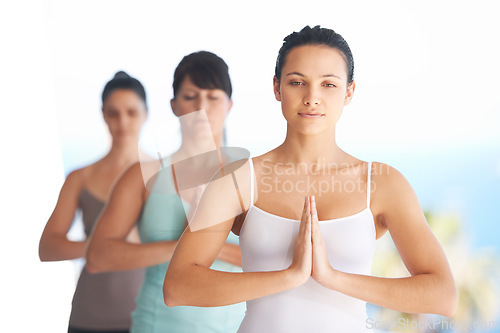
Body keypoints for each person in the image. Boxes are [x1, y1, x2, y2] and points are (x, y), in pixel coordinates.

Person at [163, 26, 458, 332]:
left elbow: (443, 296)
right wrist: (289, 276)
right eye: (297, 82)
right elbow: (178, 286)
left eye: (328, 84)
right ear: (277, 88)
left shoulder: (381, 183)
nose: (312, 98)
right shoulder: (237, 180)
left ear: (349, 92)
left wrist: (332, 277)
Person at [86, 51, 246, 333]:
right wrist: (185, 246)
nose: (201, 107)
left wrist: (209, 245)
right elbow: (99, 256)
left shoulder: (251, 178)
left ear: (229, 105)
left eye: (213, 97)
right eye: (190, 96)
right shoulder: (142, 176)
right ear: (174, 105)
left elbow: (274, 261)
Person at [39, 71, 147, 333]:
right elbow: (48, 247)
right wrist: (103, 247)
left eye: (131, 112)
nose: (122, 121)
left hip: (149, 317)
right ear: (103, 115)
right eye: (113, 113)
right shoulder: (81, 178)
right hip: (90, 318)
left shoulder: (166, 177)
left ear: (145, 114)